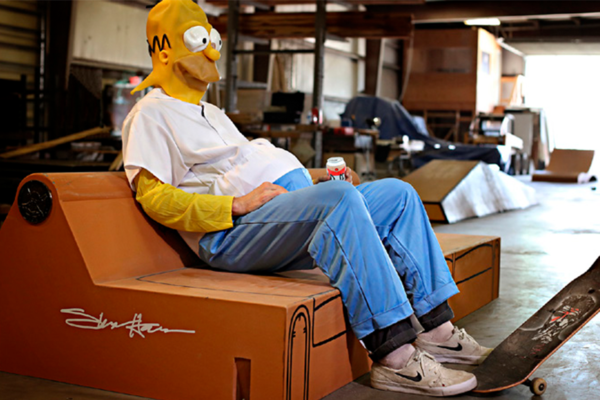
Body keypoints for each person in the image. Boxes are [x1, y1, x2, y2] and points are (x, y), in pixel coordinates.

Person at [122, 0, 491, 396]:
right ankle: (396, 358)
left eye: (213, 39)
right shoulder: (150, 114)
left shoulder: (211, 113)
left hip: (276, 216)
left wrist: (317, 178)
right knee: (338, 201)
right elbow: (154, 197)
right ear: (164, 51)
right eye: (199, 39)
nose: (212, 50)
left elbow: (248, 165)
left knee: (398, 194)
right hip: (228, 233)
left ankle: (438, 332)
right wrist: (234, 205)